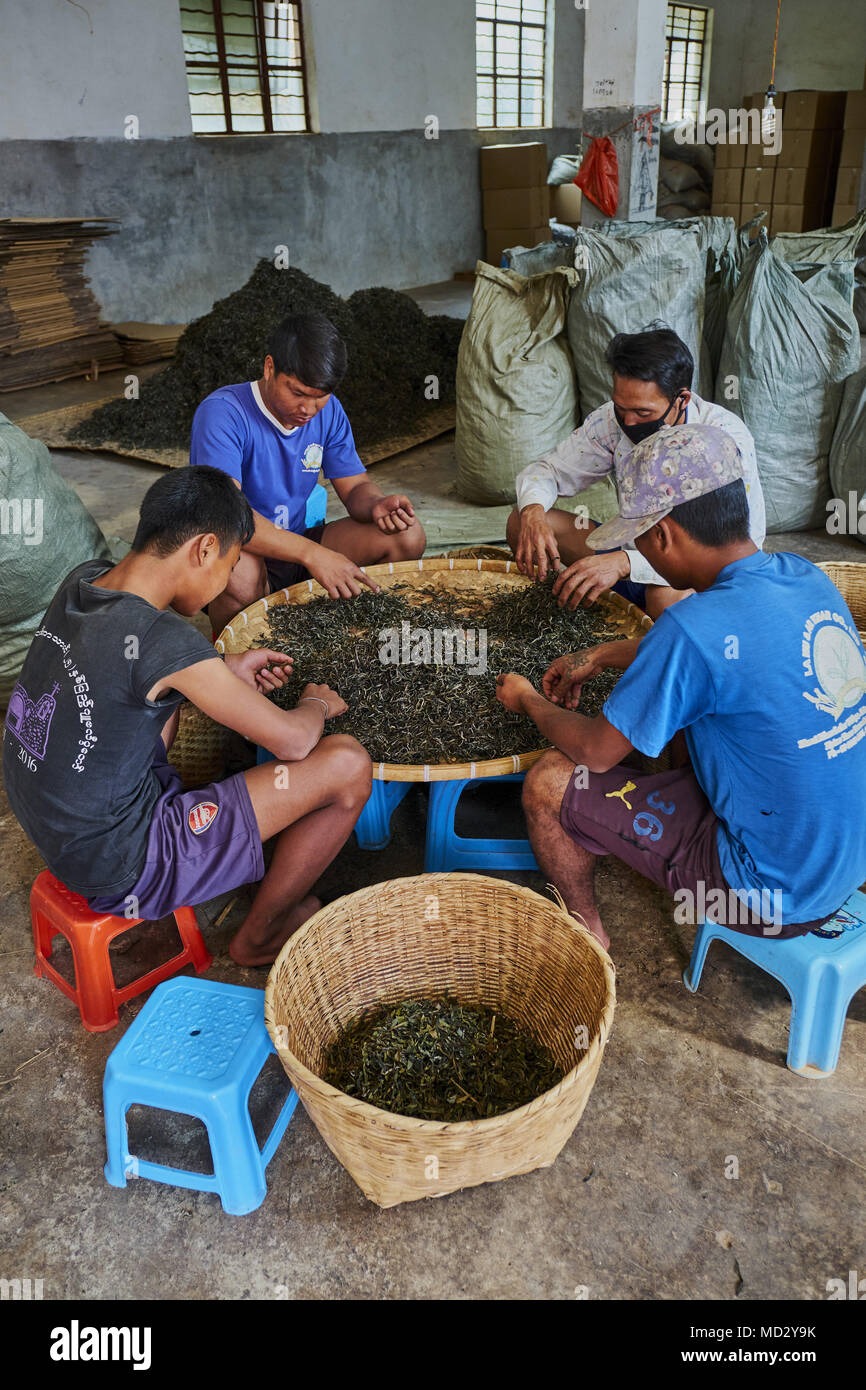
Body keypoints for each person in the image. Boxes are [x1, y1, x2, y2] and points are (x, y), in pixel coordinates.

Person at [495, 424, 866, 952]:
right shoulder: (803, 576)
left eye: (639, 538)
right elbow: (727, 654)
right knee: (697, 721)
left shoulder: (693, 629)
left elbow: (596, 753)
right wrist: (599, 654)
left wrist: (528, 699)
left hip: (771, 894)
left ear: (663, 536)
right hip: (843, 860)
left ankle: (587, 938)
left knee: (551, 782)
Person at [3, 467, 372, 968]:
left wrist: (218, 672)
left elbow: (121, 671)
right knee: (348, 764)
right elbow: (293, 743)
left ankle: (212, 849)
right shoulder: (165, 639)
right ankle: (258, 938)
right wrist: (318, 704)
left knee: (161, 702)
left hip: (52, 826)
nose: (226, 580)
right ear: (203, 549)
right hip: (120, 863)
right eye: (230, 562)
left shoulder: (84, 580)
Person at [506, 326, 765, 619]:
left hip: (685, 575)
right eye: (621, 407)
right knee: (521, 521)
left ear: (682, 400)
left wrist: (626, 563)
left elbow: (741, 545)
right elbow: (548, 471)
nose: (628, 422)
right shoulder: (611, 421)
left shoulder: (721, 440)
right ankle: (610, 607)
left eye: (643, 413)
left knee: (668, 604)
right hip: (631, 548)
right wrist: (532, 514)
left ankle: (648, 621)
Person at [190, 312, 426, 632]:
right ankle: (236, 660)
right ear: (269, 368)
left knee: (406, 535)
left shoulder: (329, 412)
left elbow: (355, 486)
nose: (308, 410)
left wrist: (376, 505)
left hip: (297, 545)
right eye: (297, 393)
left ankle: (342, 634)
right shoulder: (223, 412)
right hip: (241, 549)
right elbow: (228, 517)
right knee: (240, 573)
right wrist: (314, 555)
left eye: (319, 398)